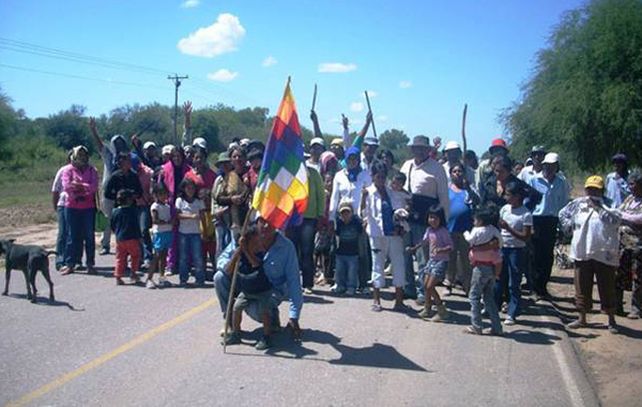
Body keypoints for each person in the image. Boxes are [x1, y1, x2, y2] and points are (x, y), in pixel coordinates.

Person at [214, 217, 303, 340]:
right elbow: (222, 263)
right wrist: (239, 251)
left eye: (271, 222)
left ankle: (272, 317)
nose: (266, 226)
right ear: (257, 222)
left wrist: (294, 316)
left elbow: (294, 282)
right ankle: (230, 324)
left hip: (268, 290)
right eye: (263, 221)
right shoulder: (245, 238)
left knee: (257, 311)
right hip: (245, 285)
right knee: (219, 278)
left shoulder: (287, 247)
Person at [559, 175, 620, 334]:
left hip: (604, 252)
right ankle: (582, 318)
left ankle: (611, 319)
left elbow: (615, 220)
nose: (592, 192)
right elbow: (562, 214)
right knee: (581, 286)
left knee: (606, 286)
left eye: (595, 189)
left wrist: (598, 207)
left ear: (601, 190)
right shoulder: (578, 204)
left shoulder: (610, 204)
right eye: (589, 189)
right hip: (582, 251)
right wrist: (570, 227)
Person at [399, 135, 450, 301]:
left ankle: (423, 291)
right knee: (405, 254)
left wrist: (444, 221)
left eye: (422, 148)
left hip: (426, 219)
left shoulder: (437, 168)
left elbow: (443, 197)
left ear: (428, 150)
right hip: (406, 217)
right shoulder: (406, 165)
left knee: (423, 258)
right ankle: (409, 288)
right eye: (416, 148)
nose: (419, 151)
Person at [361, 162, 408, 311]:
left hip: (394, 235)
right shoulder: (368, 192)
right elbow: (362, 214)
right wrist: (363, 199)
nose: (381, 180)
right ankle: (376, 300)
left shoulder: (392, 193)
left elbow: (401, 210)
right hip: (376, 235)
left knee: (398, 265)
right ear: (373, 177)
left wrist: (401, 224)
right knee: (377, 265)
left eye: (383, 177)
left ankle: (399, 300)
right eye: (378, 177)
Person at [88, 117, 137, 255]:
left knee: (124, 220)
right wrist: (93, 130)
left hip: (125, 194)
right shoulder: (109, 156)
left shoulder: (129, 157)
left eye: (122, 142)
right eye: (117, 143)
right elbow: (100, 146)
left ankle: (123, 245)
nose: (120, 145)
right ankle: (105, 245)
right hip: (110, 194)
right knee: (108, 220)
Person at [222, 225, 274, 350]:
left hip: (262, 290)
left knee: (264, 312)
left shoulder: (261, 253)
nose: (258, 244)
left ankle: (267, 337)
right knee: (236, 308)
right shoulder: (239, 255)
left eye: (258, 242)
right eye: (254, 242)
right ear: (245, 242)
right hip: (246, 291)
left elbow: (255, 264)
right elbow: (228, 271)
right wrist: (237, 254)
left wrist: (246, 250)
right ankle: (236, 333)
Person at [529, 152, 570, 300]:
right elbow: (529, 202)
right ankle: (534, 288)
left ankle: (543, 287)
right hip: (536, 220)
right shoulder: (534, 180)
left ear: (556, 167)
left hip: (552, 221)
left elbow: (564, 204)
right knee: (534, 255)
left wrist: (562, 226)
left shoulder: (561, 182)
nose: (549, 168)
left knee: (547, 255)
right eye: (547, 165)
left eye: (552, 166)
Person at [496, 182, 532, 325]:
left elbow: (525, 237)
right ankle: (494, 306)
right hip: (502, 247)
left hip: (516, 251)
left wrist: (509, 228)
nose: (506, 197)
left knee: (514, 282)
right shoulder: (505, 209)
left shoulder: (526, 214)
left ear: (517, 197)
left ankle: (512, 311)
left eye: (508, 195)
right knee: (499, 278)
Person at [60, 146, 99, 275]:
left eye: (84, 154)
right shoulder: (67, 170)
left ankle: (90, 264)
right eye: (80, 154)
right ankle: (70, 264)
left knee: (89, 236)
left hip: (88, 208)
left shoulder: (92, 170)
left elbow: (94, 188)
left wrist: (80, 186)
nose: (82, 157)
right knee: (72, 235)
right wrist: (84, 188)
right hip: (71, 207)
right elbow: (67, 186)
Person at [409, 206, 452, 322]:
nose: (432, 220)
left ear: (441, 219)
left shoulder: (443, 231)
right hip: (431, 261)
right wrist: (414, 248)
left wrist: (441, 250)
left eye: (435, 218)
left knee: (430, 286)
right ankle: (427, 308)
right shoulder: (429, 230)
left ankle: (441, 310)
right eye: (431, 217)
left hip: (441, 261)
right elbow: (424, 241)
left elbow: (450, 247)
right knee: (425, 284)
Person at [286, 164, 325, 294]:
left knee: (307, 251)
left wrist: (320, 215)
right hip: (292, 218)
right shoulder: (289, 171)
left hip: (309, 218)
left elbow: (320, 194)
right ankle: (292, 283)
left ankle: (308, 283)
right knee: (292, 252)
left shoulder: (313, 173)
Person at [465, 206, 503, 335]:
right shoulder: (494, 231)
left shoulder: (477, 231)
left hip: (480, 268)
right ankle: (497, 327)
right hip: (492, 268)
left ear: (480, 220)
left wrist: (466, 233)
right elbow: (501, 242)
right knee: (488, 298)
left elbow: (470, 240)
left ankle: (476, 325)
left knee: (474, 296)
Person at [445, 163, 479, 296]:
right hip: (450, 229)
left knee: (466, 259)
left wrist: (469, 188)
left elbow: (477, 201)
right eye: (455, 171)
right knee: (450, 258)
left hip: (466, 231)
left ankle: (468, 286)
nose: (457, 173)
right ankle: (449, 283)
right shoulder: (446, 189)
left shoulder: (469, 190)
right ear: (451, 174)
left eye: (460, 171)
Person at [159, 145, 191, 274]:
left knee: (185, 234)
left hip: (185, 205)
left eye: (179, 156)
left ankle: (186, 264)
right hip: (170, 205)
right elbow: (160, 187)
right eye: (174, 157)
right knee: (172, 237)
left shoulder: (188, 170)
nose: (177, 159)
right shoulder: (165, 169)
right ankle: (170, 264)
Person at [615, 171, 642, 319]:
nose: (630, 187)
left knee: (638, 277)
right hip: (623, 244)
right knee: (618, 275)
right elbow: (618, 212)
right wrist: (624, 217)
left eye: (633, 184)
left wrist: (625, 217)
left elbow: (638, 219)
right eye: (630, 184)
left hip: (638, 246)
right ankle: (617, 305)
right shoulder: (629, 199)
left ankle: (636, 308)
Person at [175, 178, 206, 286]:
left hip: (196, 232)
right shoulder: (180, 201)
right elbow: (178, 215)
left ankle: (200, 279)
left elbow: (203, 217)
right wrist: (191, 216)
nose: (190, 190)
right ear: (183, 189)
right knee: (183, 257)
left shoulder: (199, 202)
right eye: (188, 188)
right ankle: (183, 279)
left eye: (192, 188)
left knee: (197, 256)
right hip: (183, 232)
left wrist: (205, 231)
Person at [110, 189, 142, 286]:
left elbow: (112, 224)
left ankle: (118, 276)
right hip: (131, 237)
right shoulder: (132, 211)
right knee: (135, 256)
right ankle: (133, 274)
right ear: (128, 200)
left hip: (120, 238)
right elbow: (135, 225)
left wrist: (116, 232)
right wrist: (139, 237)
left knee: (120, 258)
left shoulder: (115, 211)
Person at [146, 184, 173, 288]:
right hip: (159, 233)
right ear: (155, 195)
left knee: (164, 256)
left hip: (167, 232)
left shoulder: (167, 206)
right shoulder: (155, 206)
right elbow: (155, 220)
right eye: (161, 194)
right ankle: (149, 278)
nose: (163, 196)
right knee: (157, 256)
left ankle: (162, 278)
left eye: (165, 194)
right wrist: (168, 222)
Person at [332, 201, 362, 295]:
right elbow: (335, 234)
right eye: (343, 213)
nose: (345, 215)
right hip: (340, 252)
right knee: (339, 271)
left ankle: (351, 287)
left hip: (353, 253)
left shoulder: (356, 222)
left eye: (347, 212)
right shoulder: (339, 223)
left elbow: (361, 232)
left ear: (352, 213)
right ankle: (340, 285)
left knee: (352, 272)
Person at [51, 152, 72, 271]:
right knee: (63, 233)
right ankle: (60, 260)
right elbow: (55, 190)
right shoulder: (63, 170)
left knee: (73, 234)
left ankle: (70, 259)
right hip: (63, 205)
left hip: (77, 207)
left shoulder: (83, 170)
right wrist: (56, 206)